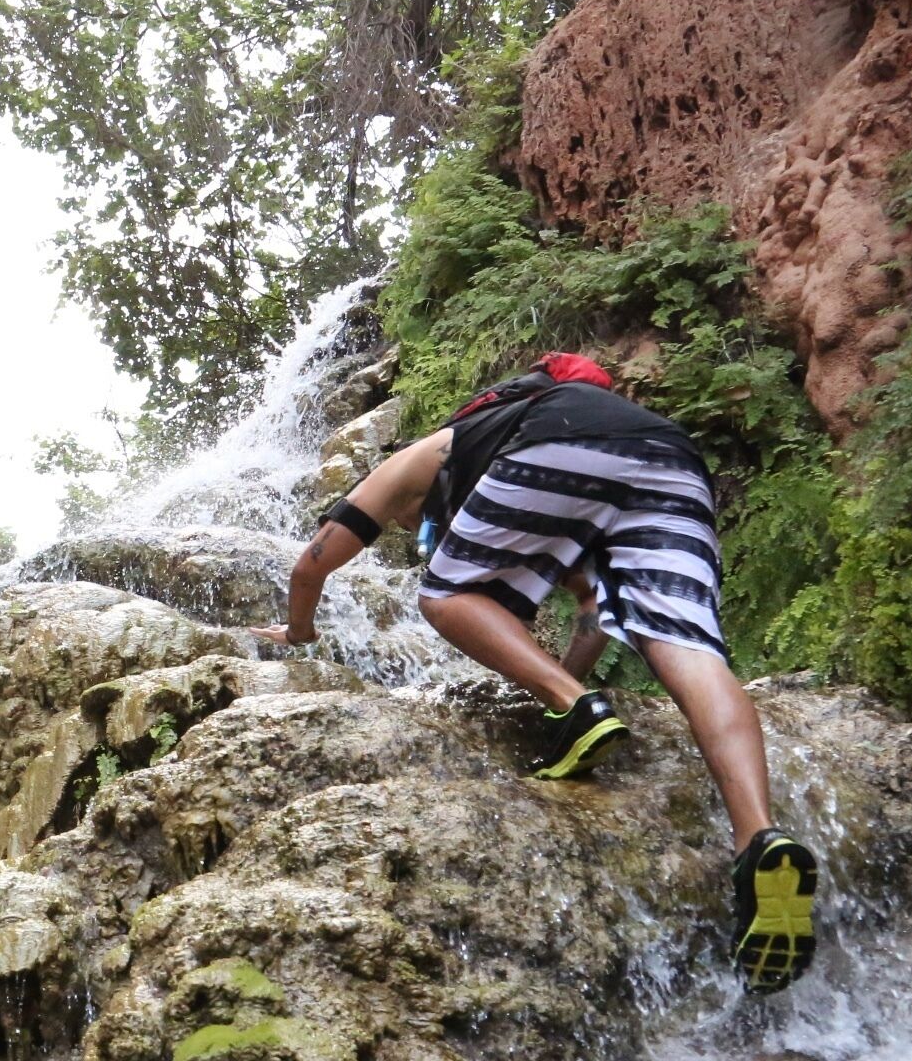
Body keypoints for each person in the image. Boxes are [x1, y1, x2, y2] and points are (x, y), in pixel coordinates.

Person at [253, 354, 820, 994]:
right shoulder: (531, 473)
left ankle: (578, 709)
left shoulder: (417, 460)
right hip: (673, 462)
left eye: (411, 525)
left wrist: (297, 633)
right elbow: (591, 608)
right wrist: (571, 700)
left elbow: (309, 568)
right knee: (686, 647)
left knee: (443, 593)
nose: (412, 530)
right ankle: (757, 840)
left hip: (561, 442)